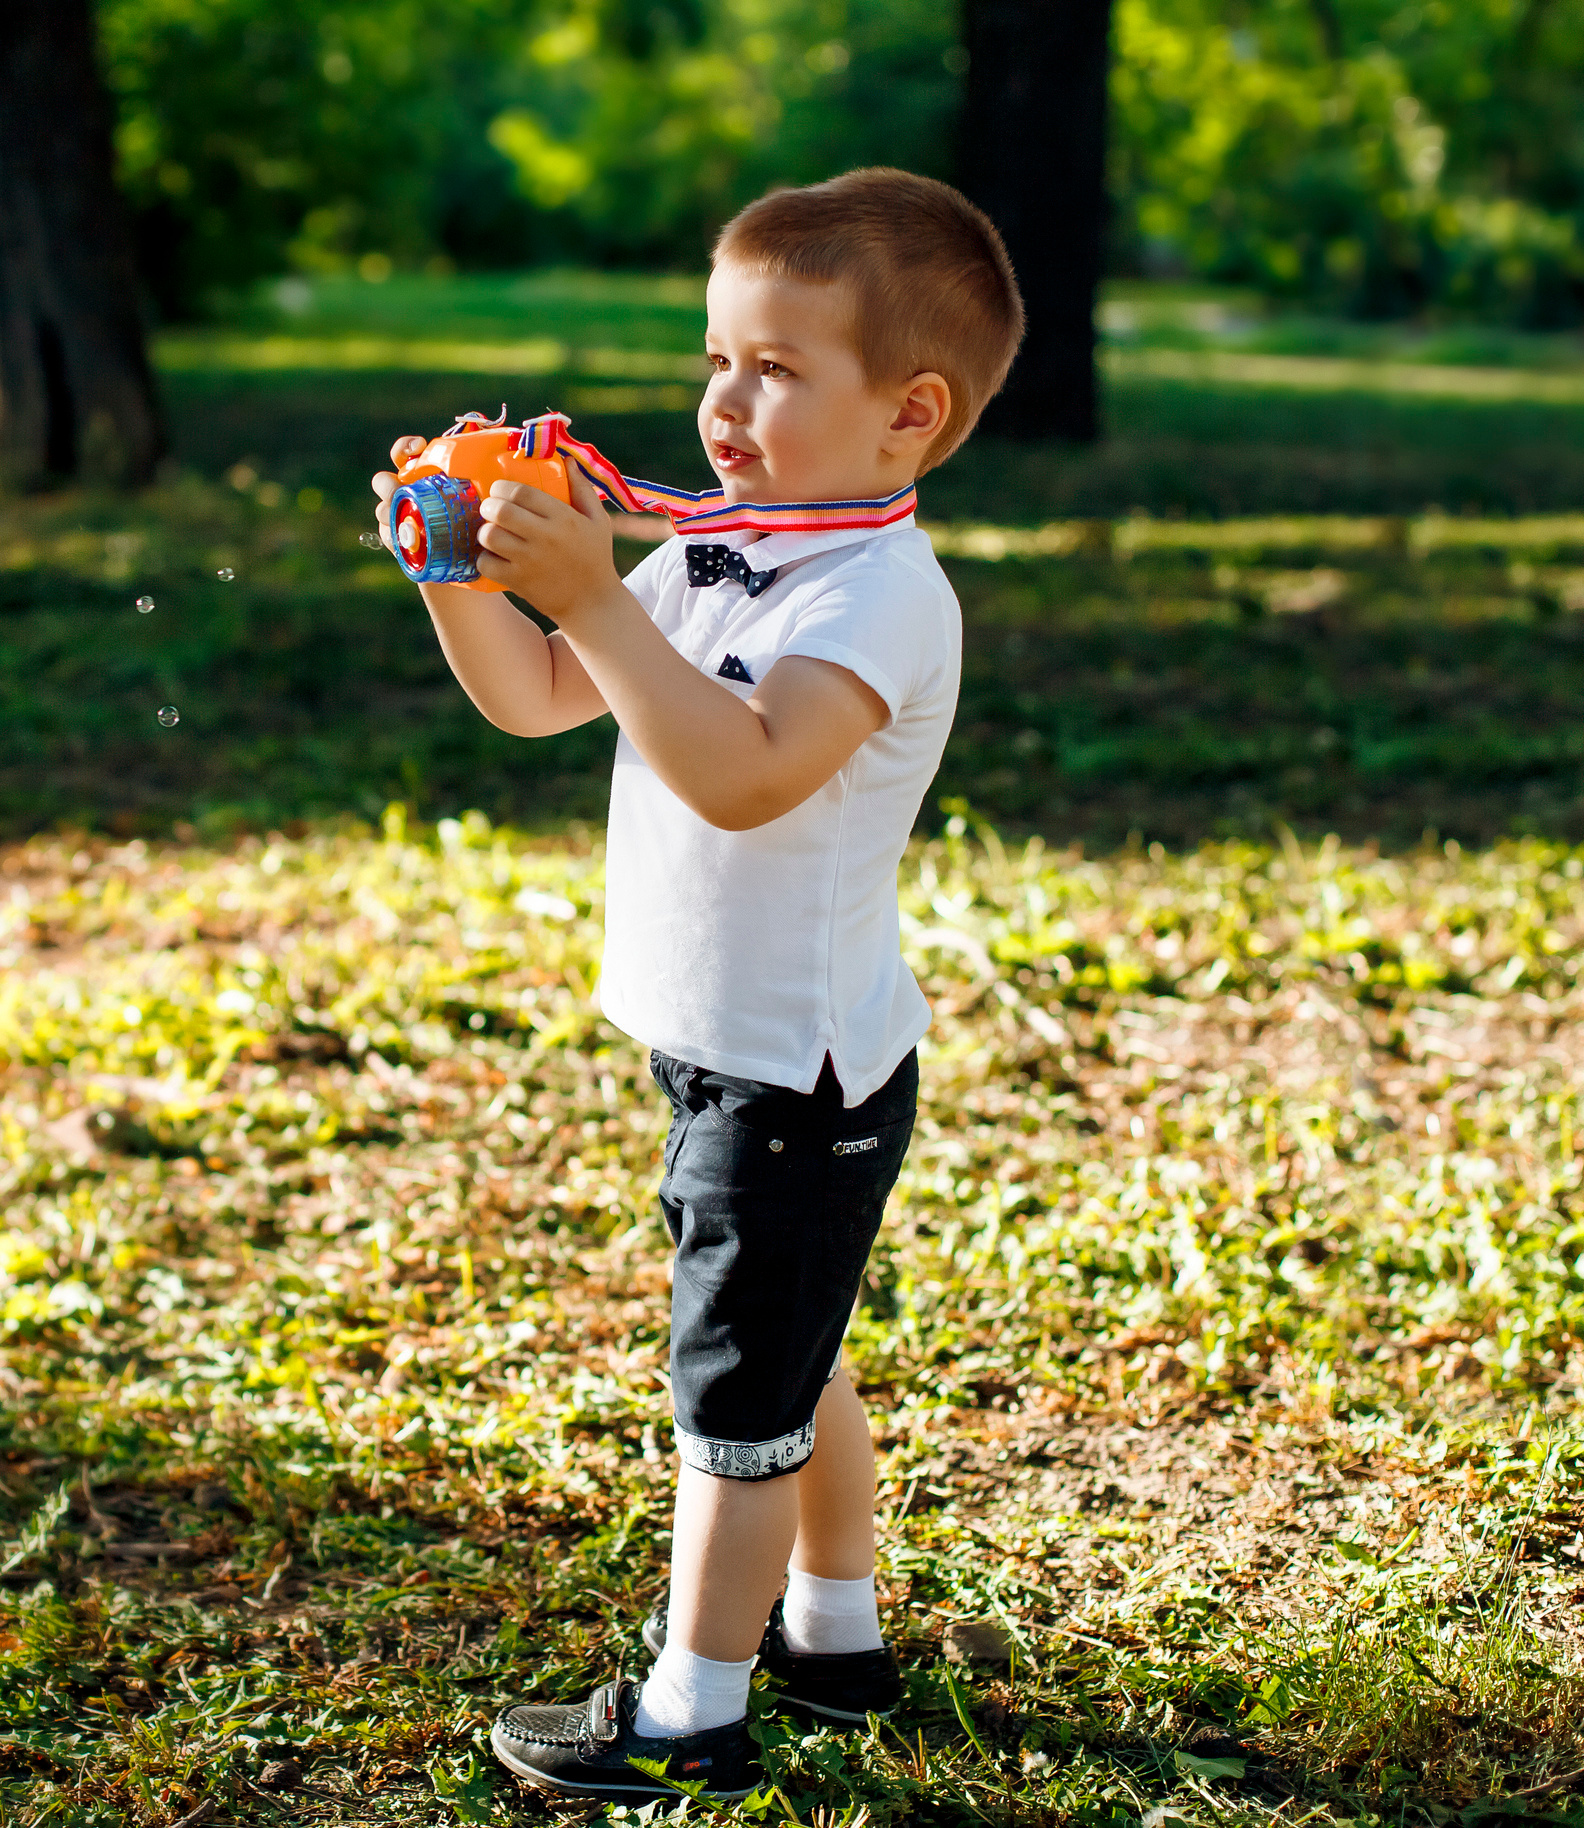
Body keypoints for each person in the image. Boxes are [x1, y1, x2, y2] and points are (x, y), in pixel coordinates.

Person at [369, 167, 1024, 1804]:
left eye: (778, 370)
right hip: (727, 1055)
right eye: (718, 360)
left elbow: (743, 773)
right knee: (797, 1358)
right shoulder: (725, 550)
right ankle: (836, 1637)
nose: (727, 402)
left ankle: (689, 1718)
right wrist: (461, 568)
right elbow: (538, 696)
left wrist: (597, 591)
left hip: (798, 1074)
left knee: (733, 1411)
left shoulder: (879, 596)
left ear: (911, 414)